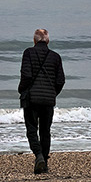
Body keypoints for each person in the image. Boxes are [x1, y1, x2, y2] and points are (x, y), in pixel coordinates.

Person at [18, 28, 65, 174]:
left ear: (34, 40)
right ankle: (44, 161)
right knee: (46, 131)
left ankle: (38, 156)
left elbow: (26, 75)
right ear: (48, 41)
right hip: (48, 100)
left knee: (32, 129)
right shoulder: (55, 57)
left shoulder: (28, 53)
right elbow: (61, 81)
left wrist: (22, 90)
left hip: (31, 98)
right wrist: (53, 93)